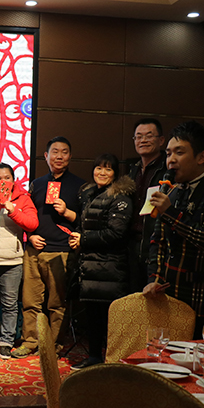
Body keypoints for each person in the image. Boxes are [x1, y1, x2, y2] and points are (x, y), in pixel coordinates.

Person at [144, 121, 204, 333]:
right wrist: (154, 279)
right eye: (168, 153)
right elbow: (158, 241)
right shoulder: (171, 191)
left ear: (201, 157)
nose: (171, 160)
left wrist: (170, 212)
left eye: (179, 152)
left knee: (202, 352)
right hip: (168, 295)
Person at [12, 137, 85, 359]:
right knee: (30, 302)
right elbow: (27, 216)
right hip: (34, 249)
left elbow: (85, 220)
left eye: (64, 152)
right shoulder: (37, 184)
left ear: (70, 156)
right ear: (46, 156)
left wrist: (68, 213)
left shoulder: (80, 186)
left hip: (61, 250)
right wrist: (30, 236)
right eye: (55, 152)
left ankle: (54, 344)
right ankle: (30, 341)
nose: (59, 156)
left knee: (56, 303)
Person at [68, 154, 134, 369]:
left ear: (115, 173)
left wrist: (84, 239)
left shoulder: (121, 198)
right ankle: (95, 359)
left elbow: (117, 234)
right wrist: (78, 237)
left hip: (110, 268)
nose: (102, 173)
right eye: (98, 168)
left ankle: (111, 364)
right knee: (93, 318)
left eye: (108, 169)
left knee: (108, 321)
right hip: (91, 266)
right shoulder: (90, 194)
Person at [0, 163, 38, 359]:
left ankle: (6, 342)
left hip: (12, 261)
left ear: (13, 180)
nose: (2, 182)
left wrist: (12, 210)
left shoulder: (23, 198)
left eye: (7, 178)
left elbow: (32, 223)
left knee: (10, 304)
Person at [127, 118, 167, 293]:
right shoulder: (133, 170)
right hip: (132, 244)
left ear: (161, 140)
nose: (143, 140)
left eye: (149, 136)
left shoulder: (167, 170)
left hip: (156, 244)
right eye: (138, 137)